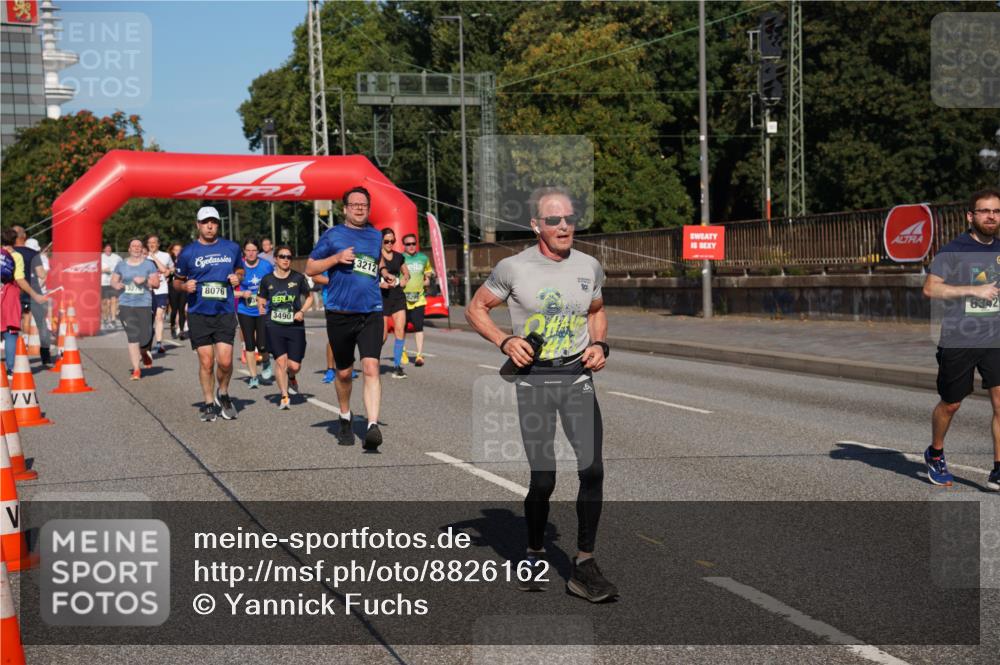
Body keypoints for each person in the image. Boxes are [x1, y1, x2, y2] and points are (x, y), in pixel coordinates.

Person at [465, 186, 617, 602]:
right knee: (544, 477)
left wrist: (599, 345)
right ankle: (533, 550)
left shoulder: (589, 265)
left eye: (569, 218)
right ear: (536, 225)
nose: (564, 226)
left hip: (576, 378)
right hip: (534, 380)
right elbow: (476, 308)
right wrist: (503, 340)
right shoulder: (513, 268)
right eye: (553, 220)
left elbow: (597, 311)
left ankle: (584, 563)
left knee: (592, 470)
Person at [923, 187, 1000, 491]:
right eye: (984, 211)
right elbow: (930, 289)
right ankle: (936, 453)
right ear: (971, 216)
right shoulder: (953, 250)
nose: (991, 216)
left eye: (996, 211)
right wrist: (972, 290)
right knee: (952, 404)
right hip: (960, 338)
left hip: (996, 338)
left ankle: (998, 469)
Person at [305, 186, 386, 450]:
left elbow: (376, 265)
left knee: (371, 367)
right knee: (344, 372)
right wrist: (337, 258)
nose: (360, 208)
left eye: (364, 205)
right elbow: (310, 267)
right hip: (340, 312)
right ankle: (344, 417)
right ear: (345, 209)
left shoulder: (376, 236)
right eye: (354, 204)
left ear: (368, 208)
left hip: (371, 311)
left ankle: (372, 426)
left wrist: (385, 275)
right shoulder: (333, 235)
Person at [173, 206, 243, 422]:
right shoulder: (188, 252)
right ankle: (208, 402)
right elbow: (176, 282)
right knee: (206, 362)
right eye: (205, 222)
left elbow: (240, 269)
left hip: (224, 312)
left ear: (218, 225)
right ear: (198, 225)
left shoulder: (231, 247)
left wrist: (237, 277)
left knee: (225, 361)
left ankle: (223, 393)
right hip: (199, 313)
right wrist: (185, 288)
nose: (210, 226)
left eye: (213, 222)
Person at [258, 245, 312, 409]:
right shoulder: (267, 280)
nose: (286, 259)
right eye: (282, 256)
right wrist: (261, 306)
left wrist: (302, 311)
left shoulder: (298, 278)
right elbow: (261, 298)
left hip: (295, 326)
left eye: (289, 257)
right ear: (275, 259)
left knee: (294, 365)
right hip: (274, 325)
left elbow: (309, 297)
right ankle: (284, 396)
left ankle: (292, 376)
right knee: (281, 361)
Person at [112, 238, 160, 380]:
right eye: (134, 246)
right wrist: (116, 285)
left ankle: (144, 352)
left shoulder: (149, 265)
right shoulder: (121, 265)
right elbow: (113, 280)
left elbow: (156, 284)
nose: (137, 248)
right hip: (126, 304)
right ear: (129, 249)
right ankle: (136, 369)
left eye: (139, 246)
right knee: (132, 336)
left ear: (141, 249)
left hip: (144, 304)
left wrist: (145, 281)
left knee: (145, 338)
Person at [2, 229, 44, 372]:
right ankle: (11, 369)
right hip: (9, 296)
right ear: (15, 241)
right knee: (10, 332)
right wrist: (35, 294)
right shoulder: (16, 256)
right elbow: (19, 279)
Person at [235, 239, 273, 389]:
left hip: (263, 309)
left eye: (254, 250)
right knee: (250, 345)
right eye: (248, 250)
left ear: (258, 251)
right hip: (245, 310)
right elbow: (230, 291)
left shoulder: (266, 266)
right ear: (244, 252)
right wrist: (242, 293)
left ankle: (266, 362)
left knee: (262, 345)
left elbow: (273, 284)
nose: (251, 253)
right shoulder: (239, 268)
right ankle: (253, 377)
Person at [11, 226, 52, 367]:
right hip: (34, 292)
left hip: (14, 292)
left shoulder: (8, 252)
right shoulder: (33, 254)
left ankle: (16, 357)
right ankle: (46, 358)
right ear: (25, 237)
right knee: (41, 325)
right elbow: (42, 274)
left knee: (13, 325)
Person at [380, 228, 410, 378]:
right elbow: (369, 278)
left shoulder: (399, 257)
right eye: (386, 241)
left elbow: (406, 273)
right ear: (381, 241)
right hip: (382, 297)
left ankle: (397, 366)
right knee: (383, 336)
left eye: (392, 241)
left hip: (397, 296)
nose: (390, 243)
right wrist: (380, 284)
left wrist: (404, 279)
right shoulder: (376, 257)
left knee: (400, 330)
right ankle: (371, 359)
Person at [401, 233, 435, 367]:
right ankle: (402, 351)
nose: (411, 246)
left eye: (413, 244)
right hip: (402, 299)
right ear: (404, 245)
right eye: (408, 244)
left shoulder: (423, 258)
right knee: (401, 328)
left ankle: (419, 355)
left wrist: (427, 278)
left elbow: (428, 270)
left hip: (419, 299)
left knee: (418, 327)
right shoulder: (400, 258)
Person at [144, 235, 174, 355]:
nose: (151, 245)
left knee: (159, 316)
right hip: (147, 291)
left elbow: (171, 269)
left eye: (154, 243)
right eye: (149, 243)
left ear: (158, 244)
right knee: (148, 320)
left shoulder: (165, 256)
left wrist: (168, 273)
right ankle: (146, 345)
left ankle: (159, 343)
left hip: (161, 290)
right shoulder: (142, 256)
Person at [166, 242, 187, 340]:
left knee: (182, 309)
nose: (178, 252)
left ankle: (182, 331)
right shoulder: (169, 260)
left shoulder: (186, 260)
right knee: (174, 309)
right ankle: (173, 327)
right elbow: (166, 273)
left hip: (183, 286)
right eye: (176, 250)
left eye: (180, 250)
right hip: (172, 287)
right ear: (172, 251)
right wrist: (170, 270)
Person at [100, 242, 123, 330]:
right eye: (106, 248)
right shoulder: (100, 257)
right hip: (103, 282)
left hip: (113, 282)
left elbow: (122, 266)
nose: (108, 250)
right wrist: (103, 270)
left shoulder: (117, 257)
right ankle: (105, 318)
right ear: (104, 249)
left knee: (114, 300)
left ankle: (113, 319)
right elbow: (95, 269)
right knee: (105, 302)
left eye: (109, 248)